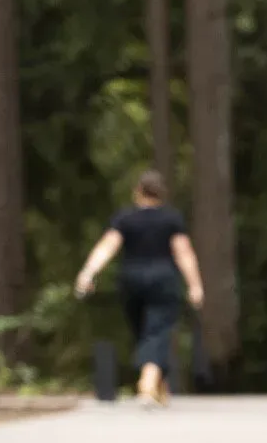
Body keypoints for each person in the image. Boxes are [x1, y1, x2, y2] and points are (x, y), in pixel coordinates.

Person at [74, 169, 204, 404]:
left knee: (146, 332)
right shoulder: (171, 219)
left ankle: (155, 383)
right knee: (156, 332)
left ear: (138, 192)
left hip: (131, 281)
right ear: (161, 194)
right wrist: (195, 285)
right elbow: (183, 253)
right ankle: (147, 383)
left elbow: (107, 247)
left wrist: (88, 273)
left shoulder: (125, 218)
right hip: (164, 281)